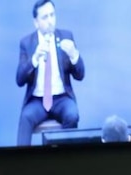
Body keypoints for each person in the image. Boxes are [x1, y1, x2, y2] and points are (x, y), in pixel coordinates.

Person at [16, 0, 85, 146]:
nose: (50, 21)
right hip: (37, 101)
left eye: (52, 15)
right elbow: (19, 80)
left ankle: (66, 160)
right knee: (25, 117)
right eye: (45, 17)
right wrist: (34, 59)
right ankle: (21, 162)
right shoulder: (27, 43)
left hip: (62, 98)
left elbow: (80, 75)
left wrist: (74, 55)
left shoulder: (67, 36)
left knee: (72, 114)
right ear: (36, 22)